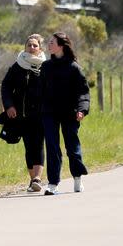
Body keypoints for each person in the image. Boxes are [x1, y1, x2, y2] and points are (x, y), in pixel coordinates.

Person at [40, 32, 90, 195]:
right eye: (48, 42)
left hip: (70, 112)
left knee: (72, 147)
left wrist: (82, 110)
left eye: (52, 42)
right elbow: (39, 90)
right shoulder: (46, 67)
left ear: (61, 45)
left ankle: (77, 177)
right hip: (49, 112)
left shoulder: (74, 67)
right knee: (52, 147)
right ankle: (52, 183)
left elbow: (83, 92)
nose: (49, 44)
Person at [1, 34, 47, 193]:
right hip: (22, 114)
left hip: (41, 113)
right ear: (25, 47)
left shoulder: (45, 66)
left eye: (35, 45)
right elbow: (6, 86)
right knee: (28, 146)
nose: (32, 48)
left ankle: (37, 179)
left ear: (40, 48)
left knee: (39, 144)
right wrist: (9, 106)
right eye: (29, 45)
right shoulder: (17, 66)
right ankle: (32, 179)